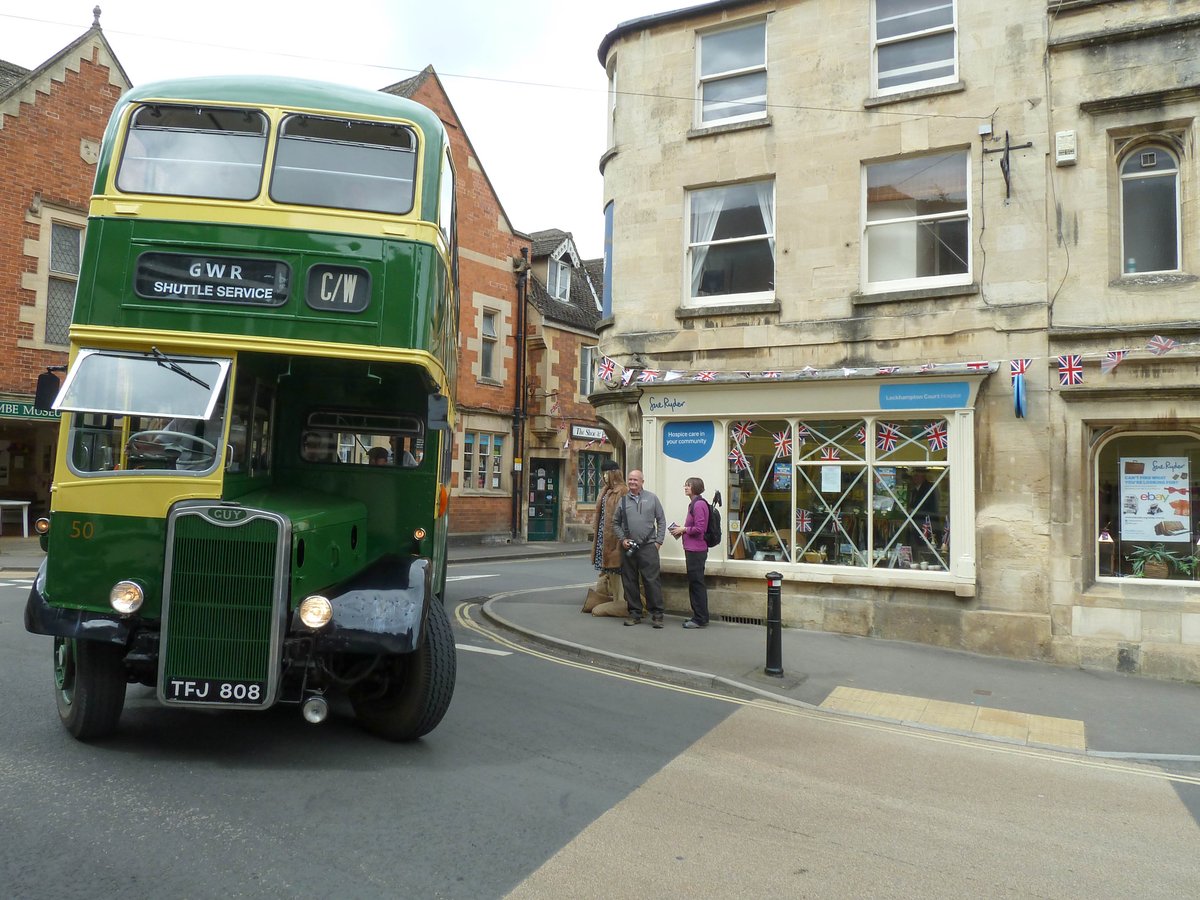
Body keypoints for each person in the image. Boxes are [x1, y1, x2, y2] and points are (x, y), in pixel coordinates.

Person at [613, 468, 666, 628]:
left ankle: (657, 615)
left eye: (635, 480)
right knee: (629, 581)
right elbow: (615, 523)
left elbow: (661, 520)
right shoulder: (622, 501)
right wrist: (622, 539)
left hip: (649, 547)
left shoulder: (652, 498)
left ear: (642, 481)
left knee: (652, 581)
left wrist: (658, 542)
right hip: (628, 548)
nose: (632, 482)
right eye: (630, 479)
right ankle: (635, 613)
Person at [584, 460, 630, 617]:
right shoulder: (605, 490)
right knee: (610, 572)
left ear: (613, 473)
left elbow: (624, 519)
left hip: (614, 540)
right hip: (604, 539)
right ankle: (615, 600)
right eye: (602, 474)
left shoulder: (622, 491)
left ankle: (621, 602)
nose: (603, 477)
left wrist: (620, 541)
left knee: (617, 573)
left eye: (605, 473)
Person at [669, 476, 710, 628]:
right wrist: (682, 530)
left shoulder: (698, 505)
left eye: (689, 485)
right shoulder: (694, 503)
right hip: (693, 549)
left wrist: (683, 529)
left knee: (696, 584)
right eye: (685, 485)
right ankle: (699, 616)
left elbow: (700, 529)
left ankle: (699, 618)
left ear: (696, 487)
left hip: (696, 550)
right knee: (695, 583)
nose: (685, 488)